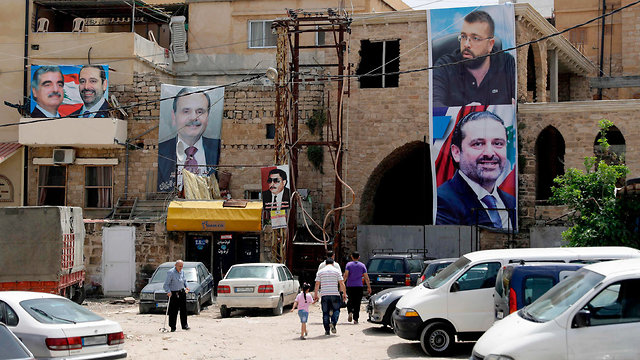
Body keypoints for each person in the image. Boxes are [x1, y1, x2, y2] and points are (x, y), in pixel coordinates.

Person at [436, 111, 516, 229]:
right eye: (478, 144)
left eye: (498, 143)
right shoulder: (442, 201)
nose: (489, 153)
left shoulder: (511, 202)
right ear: (456, 152)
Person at [432, 10, 515, 107]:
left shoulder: (506, 63)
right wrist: (465, 113)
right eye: (463, 37)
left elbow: (518, 98)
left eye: (475, 38)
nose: (466, 44)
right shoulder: (445, 66)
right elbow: (435, 105)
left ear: (490, 44)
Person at [158, 88, 221, 191]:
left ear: (207, 117)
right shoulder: (160, 152)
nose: (193, 117)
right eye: (186, 111)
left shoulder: (218, 149)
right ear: (174, 116)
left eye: (200, 111)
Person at [314, 258, 347, 335]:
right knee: (336, 310)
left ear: (325, 264)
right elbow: (341, 283)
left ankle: (327, 330)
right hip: (335, 294)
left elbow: (317, 284)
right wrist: (344, 294)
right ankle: (333, 322)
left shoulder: (320, 272)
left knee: (325, 313)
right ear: (333, 263)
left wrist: (316, 295)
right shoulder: (337, 271)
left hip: (324, 294)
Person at [343, 252, 371, 324]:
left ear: (352, 257)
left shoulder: (348, 265)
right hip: (359, 286)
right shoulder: (362, 266)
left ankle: (350, 311)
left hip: (350, 286)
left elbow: (346, 275)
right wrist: (369, 287)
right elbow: (366, 277)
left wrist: (342, 283)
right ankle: (356, 319)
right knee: (357, 302)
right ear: (359, 257)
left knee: (350, 300)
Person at [162, 260, 190, 332]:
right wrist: (168, 291)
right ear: (175, 265)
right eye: (180, 266)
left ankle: (184, 325)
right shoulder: (171, 272)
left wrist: (186, 286)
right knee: (173, 311)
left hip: (182, 292)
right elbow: (166, 285)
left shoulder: (182, 272)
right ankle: (172, 327)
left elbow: (184, 280)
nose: (181, 267)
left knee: (183, 309)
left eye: (182, 266)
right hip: (174, 293)